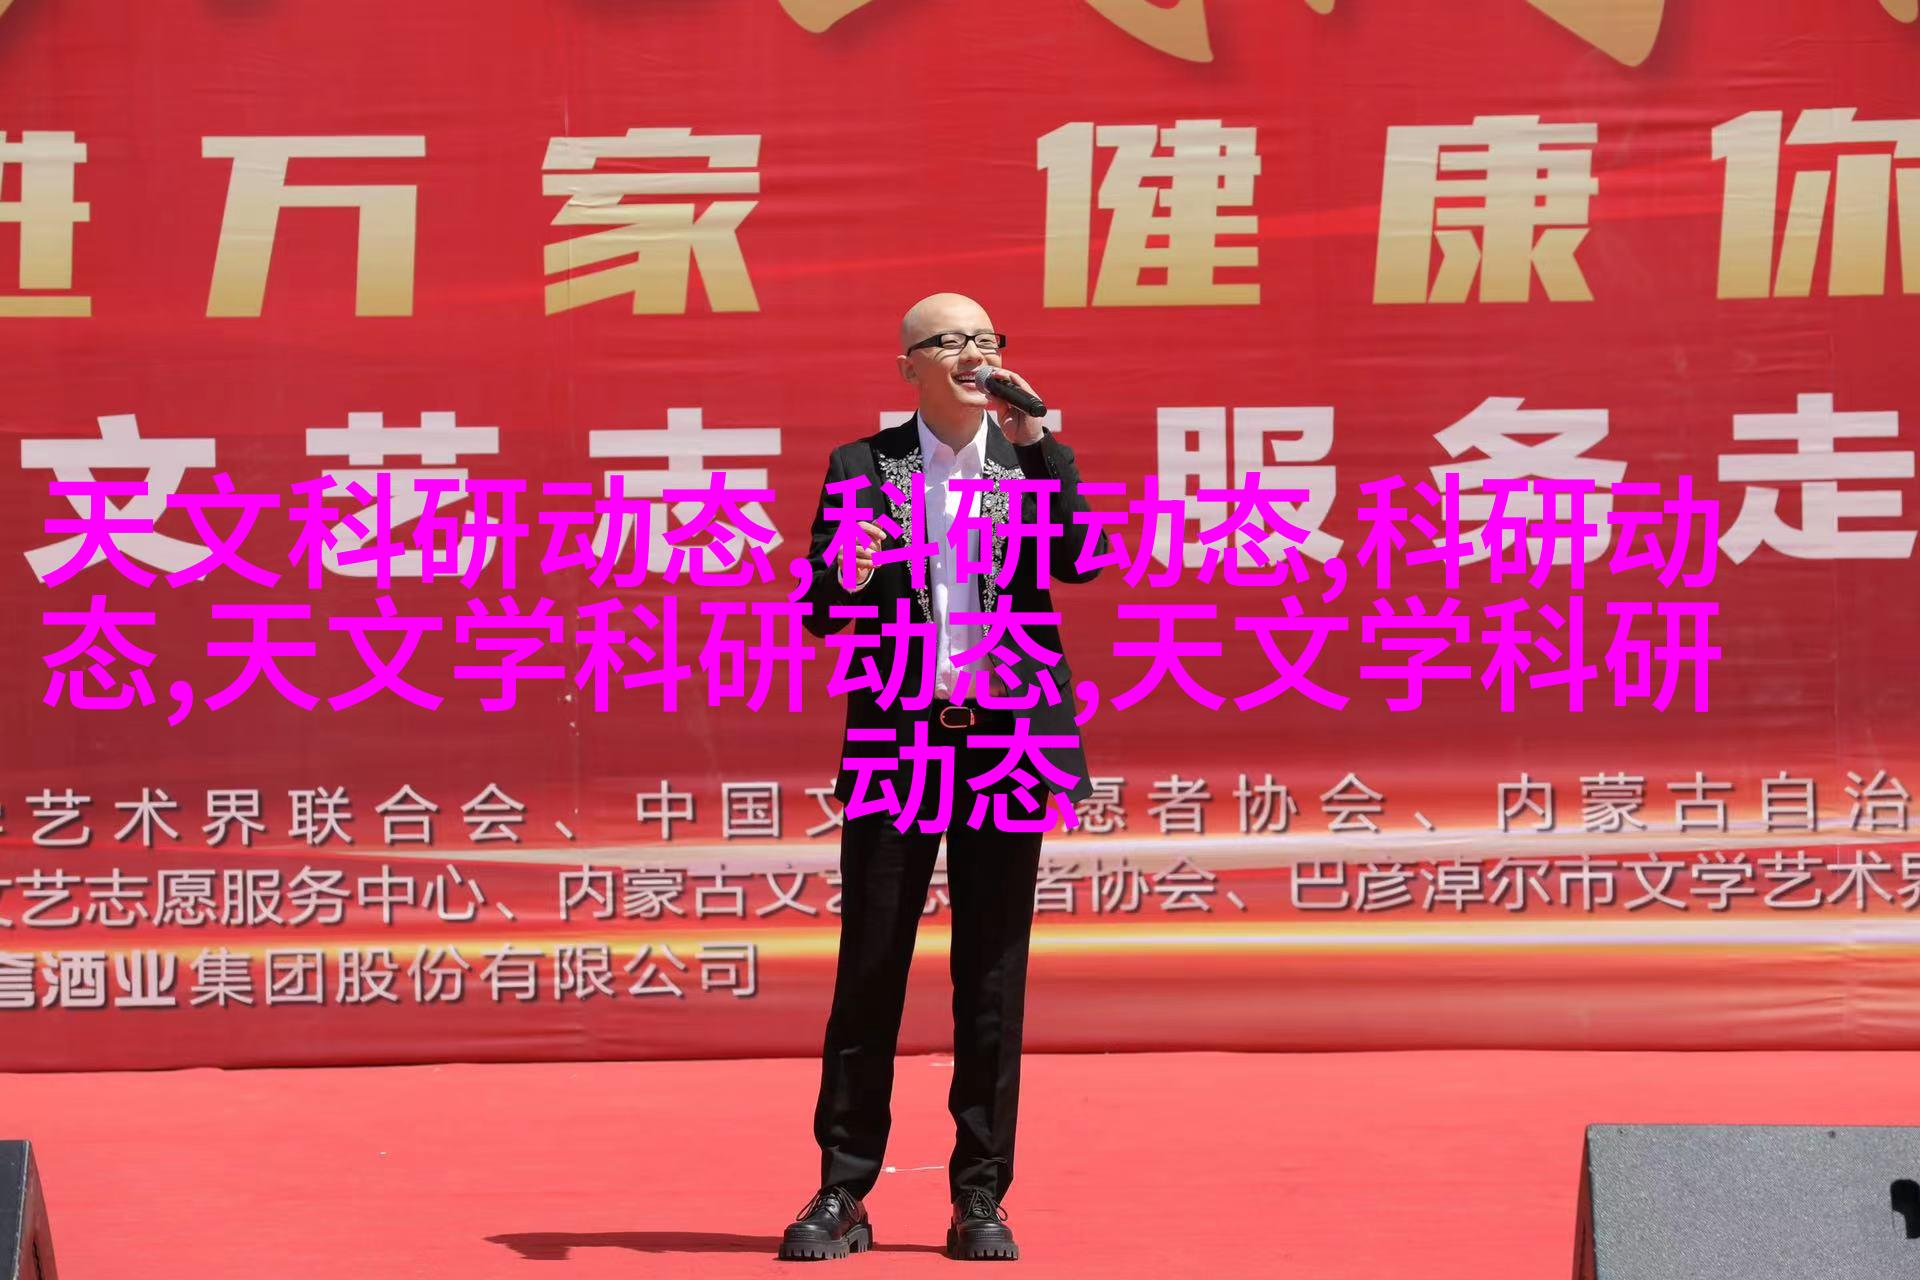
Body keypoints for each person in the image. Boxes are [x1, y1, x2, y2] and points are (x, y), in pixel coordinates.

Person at [779, 293, 1105, 1262]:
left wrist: (1038, 438)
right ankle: (844, 1189)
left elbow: (1083, 559)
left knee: (992, 975)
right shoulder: (862, 466)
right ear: (909, 366)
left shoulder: (1026, 458)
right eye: (951, 340)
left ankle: (980, 1193)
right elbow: (821, 607)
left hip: (1006, 744)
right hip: (900, 740)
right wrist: (850, 569)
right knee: (871, 963)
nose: (973, 352)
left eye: (985, 339)